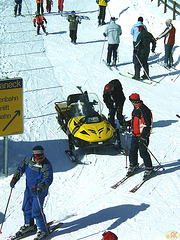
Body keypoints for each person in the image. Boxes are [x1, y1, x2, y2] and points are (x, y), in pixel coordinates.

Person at [10, 146, 53, 240]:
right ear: (34, 156)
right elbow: (20, 168)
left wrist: (40, 187)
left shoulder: (46, 165)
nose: (40, 160)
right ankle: (29, 225)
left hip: (39, 192)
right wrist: (15, 179)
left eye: (42, 157)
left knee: (37, 211)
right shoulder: (27, 160)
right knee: (26, 208)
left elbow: (48, 178)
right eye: (38, 158)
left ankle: (43, 229)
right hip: (29, 190)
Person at [126, 93, 154, 179]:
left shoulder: (143, 110)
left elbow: (147, 125)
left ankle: (149, 168)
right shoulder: (136, 109)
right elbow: (135, 120)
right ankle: (133, 165)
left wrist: (144, 136)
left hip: (142, 135)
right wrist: (127, 123)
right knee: (133, 150)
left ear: (133, 101)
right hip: (135, 134)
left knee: (143, 152)